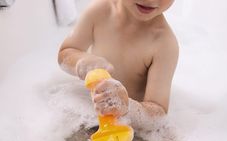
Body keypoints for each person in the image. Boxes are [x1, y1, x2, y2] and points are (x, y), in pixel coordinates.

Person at [58, 0, 179, 132]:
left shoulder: (164, 44)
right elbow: (66, 52)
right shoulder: (99, 11)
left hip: (132, 127)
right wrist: (81, 62)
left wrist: (127, 107)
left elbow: (158, 113)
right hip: (87, 112)